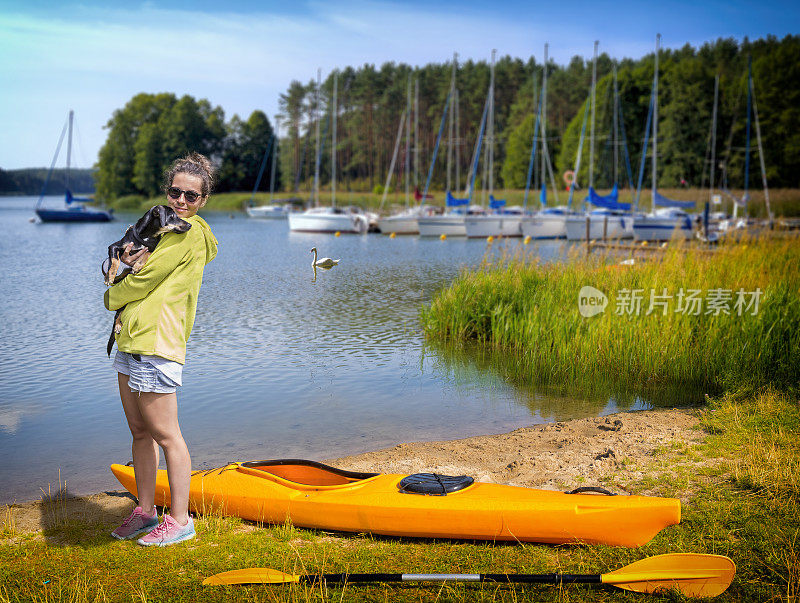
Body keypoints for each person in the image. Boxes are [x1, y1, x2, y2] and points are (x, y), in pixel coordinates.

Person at [106, 153, 218, 546]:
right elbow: (134, 270)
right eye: (176, 193)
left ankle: (182, 520)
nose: (182, 202)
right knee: (140, 431)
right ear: (167, 192)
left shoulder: (188, 235)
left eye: (191, 196)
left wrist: (111, 295)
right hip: (132, 340)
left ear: (203, 200)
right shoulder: (164, 231)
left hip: (158, 343)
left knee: (167, 435)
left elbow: (144, 280)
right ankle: (145, 511)